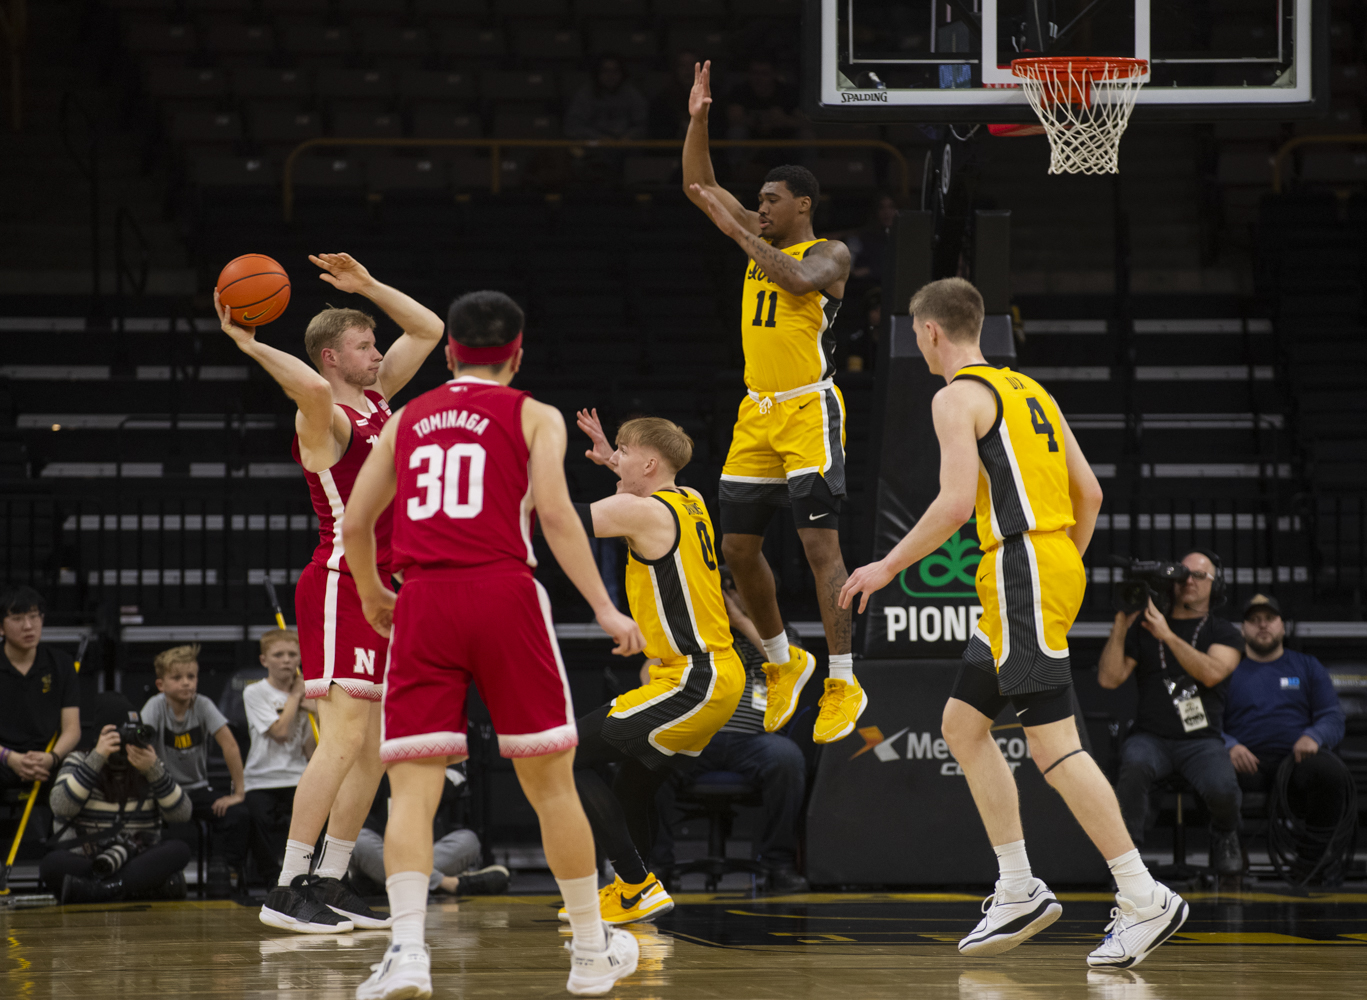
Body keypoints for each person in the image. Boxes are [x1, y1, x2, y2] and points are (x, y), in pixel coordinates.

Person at [840, 278, 1187, 969]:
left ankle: (1142, 893)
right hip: (1043, 563)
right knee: (961, 727)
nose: (915, 341)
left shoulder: (953, 397)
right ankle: (1018, 884)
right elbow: (1087, 493)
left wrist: (884, 567)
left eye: (914, 332)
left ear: (932, 332)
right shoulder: (1032, 392)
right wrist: (1056, 563)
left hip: (1020, 570)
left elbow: (949, 504)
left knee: (1055, 749)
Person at [342, 290, 646, 998]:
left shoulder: (408, 417)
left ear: (447, 352)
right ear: (515, 354)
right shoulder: (534, 415)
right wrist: (603, 606)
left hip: (422, 601)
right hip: (503, 592)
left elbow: (357, 525)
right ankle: (591, 953)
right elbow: (556, 516)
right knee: (551, 785)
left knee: (412, 791)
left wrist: (370, 594)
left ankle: (408, 952)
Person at [217, 251, 445, 933]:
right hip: (342, 582)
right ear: (330, 357)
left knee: (372, 744)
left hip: (384, 587)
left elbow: (429, 330)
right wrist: (248, 343)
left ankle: (331, 877)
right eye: (364, 344)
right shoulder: (326, 418)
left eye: (376, 343)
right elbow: (312, 392)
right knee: (342, 738)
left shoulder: (376, 403)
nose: (377, 353)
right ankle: (286, 889)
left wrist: (369, 284)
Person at [683, 60, 863, 747]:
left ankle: (844, 678)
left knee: (819, 545)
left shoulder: (830, 253)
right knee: (735, 546)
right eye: (754, 198)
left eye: (769, 199)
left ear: (802, 206)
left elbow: (792, 279)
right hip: (755, 412)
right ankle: (786, 662)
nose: (758, 206)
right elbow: (696, 185)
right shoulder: (757, 236)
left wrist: (737, 231)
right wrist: (698, 117)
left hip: (806, 410)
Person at [566, 411, 746, 922]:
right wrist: (615, 463)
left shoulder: (638, 511)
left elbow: (560, 521)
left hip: (694, 678)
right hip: (711, 675)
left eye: (623, 449)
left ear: (648, 462)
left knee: (560, 757)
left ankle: (637, 883)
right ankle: (630, 891)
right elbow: (645, 492)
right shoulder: (687, 499)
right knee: (631, 785)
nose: (613, 455)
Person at [651, 567, 809, 893]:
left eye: (753, 591)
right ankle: (656, 867)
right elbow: (648, 678)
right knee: (650, 757)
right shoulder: (697, 632)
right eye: (735, 591)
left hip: (756, 740)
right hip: (698, 736)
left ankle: (778, 864)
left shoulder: (781, 634)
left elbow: (786, 665)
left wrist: (739, 620)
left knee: (788, 759)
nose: (742, 598)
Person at [1098, 551, 1246, 875]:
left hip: (1202, 739)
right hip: (1151, 736)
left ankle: (1224, 834)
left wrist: (1167, 634)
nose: (1189, 581)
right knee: (1133, 765)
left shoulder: (1224, 632)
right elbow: (1109, 679)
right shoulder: (1145, 627)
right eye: (1182, 575)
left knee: (1223, 789)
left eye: (1199, 575)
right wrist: (1122, 624)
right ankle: (1127, 860)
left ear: (1216, 584)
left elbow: (1211, 673)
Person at [1225, 594, 1351, 879]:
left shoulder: (1307, 666)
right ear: (1243, 629)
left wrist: (1314, 736)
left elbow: (1332, 716)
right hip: (1246, 762)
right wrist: (1229, 745)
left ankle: (1311, 864)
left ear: (1282, 626)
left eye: (1269, 619)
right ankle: (1230, 860)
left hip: (1296, 760)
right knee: (1210, 772)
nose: (1263, 625)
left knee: (1331, 772)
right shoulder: (1229, 669)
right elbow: (1207, 723)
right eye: (1254, 620)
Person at [43, 693, 192, 905]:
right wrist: (97, 757)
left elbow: (182, 813)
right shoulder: (79, 759)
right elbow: (61, 806)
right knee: (53, 864)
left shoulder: (148, 763)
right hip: (89, 858)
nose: (127, 741)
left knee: (179, 850)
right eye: (122, 734)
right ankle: (136, 888)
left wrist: (154, 771)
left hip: (136, 857)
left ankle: (100, 890)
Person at [140, 643, 251, 898]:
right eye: (177, 678)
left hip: (197, 788)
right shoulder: (155, 706)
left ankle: (222, 871)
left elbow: (230, 745)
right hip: (163, 791)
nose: (186, 683)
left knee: (237, 814)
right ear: (161, 684)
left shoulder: (202, 704)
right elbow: (142, 747)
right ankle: (156, 875)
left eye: (191, 676)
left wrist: (238, 791)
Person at [349, 771, 510, 899]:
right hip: (382, 850)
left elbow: (456, 782)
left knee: (469, 841)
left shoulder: (428, 767)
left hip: (425, 853)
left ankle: (380, 881)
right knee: (359, 841)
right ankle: (448, 884)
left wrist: (422, 770)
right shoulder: (377, 769)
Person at [242, 629, 316, 883]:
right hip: (262, 779)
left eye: (292, 654)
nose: (286, 660)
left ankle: (308, 876)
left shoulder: (309, 698)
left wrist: (316, 714)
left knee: (319, 813)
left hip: (297, 776)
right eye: (279, 654)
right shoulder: (255, 693)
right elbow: (280, 732)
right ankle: (272, 882)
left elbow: (309, 750)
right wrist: (295, 697)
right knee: (257, 819)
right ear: (264, 660)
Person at [1, 586, 80, 793]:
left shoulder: (61, 663)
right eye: (17, 618)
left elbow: (72, 729)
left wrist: (51, 758)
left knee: (84, 772)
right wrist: (11, 758)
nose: (28, 626)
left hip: (48, 757)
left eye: (34, 617)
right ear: (1, 627)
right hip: (3, 757)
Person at [565, 54, 649, 141]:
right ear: (597, 73)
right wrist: (599, 138)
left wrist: (629, 136)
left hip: (626, 146)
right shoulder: (585, 94)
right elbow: (573, 126)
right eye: (605, 71)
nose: (610, 75)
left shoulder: (632, 94)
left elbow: (642, 124)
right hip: (593, 146)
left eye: (615, 71)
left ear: (622, 73)